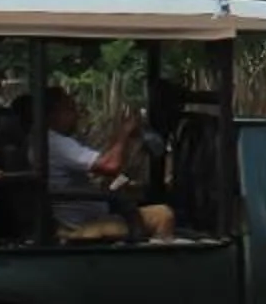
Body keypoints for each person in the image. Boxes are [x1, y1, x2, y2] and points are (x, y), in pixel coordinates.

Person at [44, 88, 175, 239]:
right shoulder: (56, 143)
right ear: (53, 113)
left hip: (82, 217)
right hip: (80, 225)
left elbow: (103, 164)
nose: (76, 116)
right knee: (164, 215)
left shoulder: (45, 140)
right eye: (70, 109)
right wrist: (124, 132)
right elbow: (111, 166)